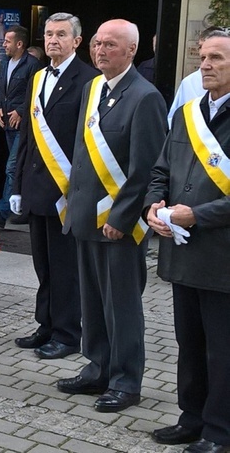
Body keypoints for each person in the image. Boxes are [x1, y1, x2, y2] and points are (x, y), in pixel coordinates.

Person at [58, 19, 167, 412]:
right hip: (88, 217)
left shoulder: (145, 97)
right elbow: (83, 155)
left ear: (132, 51)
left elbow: (146, 169)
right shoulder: (92, 89)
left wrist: (121, 218)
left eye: (111, 45)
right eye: (98, 43)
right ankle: (98, 366)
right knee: (92, 301)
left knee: (121, 306)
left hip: (119, 225)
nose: (101, 51)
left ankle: (125, 380)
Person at [145, 30, 230, 453]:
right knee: (189, 344)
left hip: (223, 256)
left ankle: (219, 431)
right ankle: (191, 417)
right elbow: (162, 168)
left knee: (223, 350)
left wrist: (198, 214)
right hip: (183, 251)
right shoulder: (188, 114)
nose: (206, 64)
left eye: (216, 57)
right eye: (202, 56)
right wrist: (152, 205)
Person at [10, 12, 99, 359]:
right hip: (36, 187)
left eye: (61, 34)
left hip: (66, 192)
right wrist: (16, 185)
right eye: (48, 34)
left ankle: (66, 333)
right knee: (43, 265)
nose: (53, 40)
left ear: (77, 41)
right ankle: (45, 324)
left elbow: (87, 142)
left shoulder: (89, 80)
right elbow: (29, 139)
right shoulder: (38, 77)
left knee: (66, 269)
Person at [0, 25, 41, 229]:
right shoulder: (6, 62)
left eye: (7, 41)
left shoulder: (32, 65)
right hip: (7, 124)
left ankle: (2, 212)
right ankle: (23, 206)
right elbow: (2, 89)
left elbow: (34, 93)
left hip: (22, 125)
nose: (4, 44)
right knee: (19, 167)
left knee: (12, 167)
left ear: (19, 44)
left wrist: (20, 110)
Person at [168, 26, 223, 128]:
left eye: (215, 57)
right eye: (201, 47)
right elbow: (174, 121)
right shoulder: (189, 82)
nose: (205, 66)